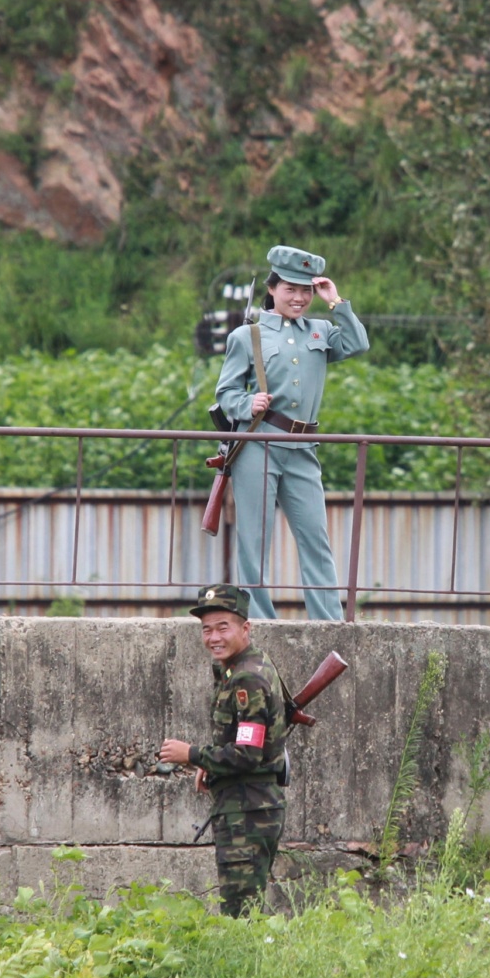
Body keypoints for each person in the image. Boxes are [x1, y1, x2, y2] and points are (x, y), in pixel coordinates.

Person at [215, 244, 369, 621]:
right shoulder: (247, 336)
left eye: (306, 291)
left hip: (303, 447)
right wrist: (246, 405)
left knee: (316, 538)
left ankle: (328, 620)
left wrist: (336, 302)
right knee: (255, 541)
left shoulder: (321, 330)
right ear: (272, 289)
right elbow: (226, 393)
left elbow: (358, 343)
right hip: (259, 445)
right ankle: (262, 621)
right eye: (290, 289)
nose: (299, 298)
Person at [159, 583, 289, 917]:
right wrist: (213, 763)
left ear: (245, 628)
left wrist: (192, 754)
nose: (213, 637)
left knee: (240, 914)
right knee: (244, 909)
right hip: (245, 806)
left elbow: (248, 754)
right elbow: (243, 739)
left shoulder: (247, 679)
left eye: (223, 627)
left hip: (248, 811)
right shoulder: (241, 667)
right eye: (206, 629)